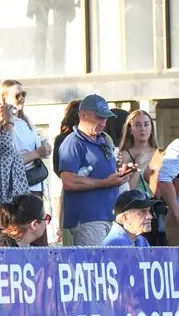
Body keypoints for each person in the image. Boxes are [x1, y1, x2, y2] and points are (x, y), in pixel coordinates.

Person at [58, 94, 131, 246]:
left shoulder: (102, 140)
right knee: (93, 266)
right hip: (88, 220)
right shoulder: (73, 142)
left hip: (109, 217)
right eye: (98, 117)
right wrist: (106, 182)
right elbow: (68, 182)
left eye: (105, 118)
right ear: (82, 115)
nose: (103, 123)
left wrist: (122, 174)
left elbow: (105, 174)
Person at [117, 109, 163, 246]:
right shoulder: (123, 155)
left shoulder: (160, 154)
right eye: (137, 125)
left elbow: (163, 190)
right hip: (136, 212)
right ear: (130, 129)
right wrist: (138, 168)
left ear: (151, 127)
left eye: (146, 124)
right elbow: (127, 191)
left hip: (158, 209)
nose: (142, 129)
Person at [1, 80, 51, 197]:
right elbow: (8, 160)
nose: (21, 98)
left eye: (24, 94)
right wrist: (38, 153)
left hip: (37, 183)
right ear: (4, 98)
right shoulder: (6, 124)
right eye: (17, 95)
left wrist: (44, 148)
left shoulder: (27, 120)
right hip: (20, 186)